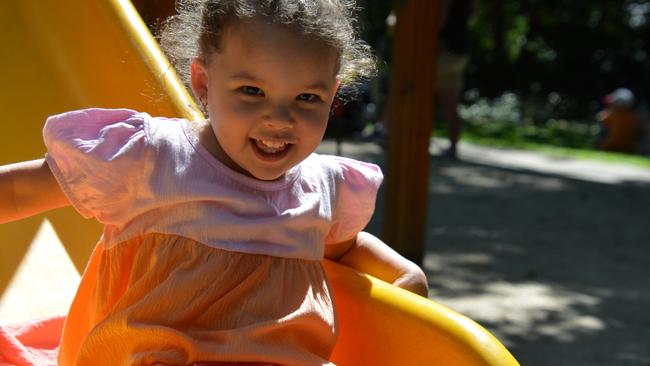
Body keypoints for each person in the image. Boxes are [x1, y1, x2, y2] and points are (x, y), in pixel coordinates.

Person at [0, 1, 428, 365]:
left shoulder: (324, 187)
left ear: (332, 96)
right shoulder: (149, 159)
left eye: (306, 98)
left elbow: (344, 248)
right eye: (251, 90)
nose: (279, 118)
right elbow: (21, 190)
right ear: (203, 81)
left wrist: (405, 277)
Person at [436, 0, 474, 158]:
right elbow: (473, 15)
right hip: (461, 51)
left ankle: (415, 141)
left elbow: (441, 18)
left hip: (446, 50)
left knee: (419, 93)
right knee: (450, 103)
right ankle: (453, 147)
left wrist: (435, 37)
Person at [596, 87, 640, 154]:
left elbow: (600, 118)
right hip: (627, 150)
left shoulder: (610, 116)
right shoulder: (632, 118)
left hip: (609, 148)